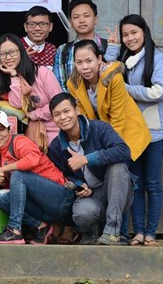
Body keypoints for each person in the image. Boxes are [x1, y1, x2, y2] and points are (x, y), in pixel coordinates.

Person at [48, 93, 134, 246]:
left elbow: (124, 151)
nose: (63, 117)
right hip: (91, 196)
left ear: (77, 110)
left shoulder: (99, 128)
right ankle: (90, 233)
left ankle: (112, 232)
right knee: (82, 213)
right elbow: (63, 174)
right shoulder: (56, 146)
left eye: (66, 111)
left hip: (115, 190)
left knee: (118, 167)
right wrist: (78, 184)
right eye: (57, 114)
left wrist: (87, 159)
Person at [0, 110, 74, 245]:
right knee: (0, 197)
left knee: (18, 175)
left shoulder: (19, 141)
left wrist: (4, 169)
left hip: (60, 199)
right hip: (40, 210)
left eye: (1, 129)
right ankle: (41, 226)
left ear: (9, 130)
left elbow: (32, 160)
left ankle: (14, 230)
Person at [118, 14, 163, 247]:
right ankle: (138, 232)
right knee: (136, 184)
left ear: (144, 33)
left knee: (153, 184)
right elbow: (107, 74)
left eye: (134, 33)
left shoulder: (159, 59)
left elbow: (159, 91)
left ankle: (151, 233)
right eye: (125, 34)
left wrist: (127, 89)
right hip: (131, 132)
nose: (130, 38)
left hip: (153, 132)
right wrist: (113, 49)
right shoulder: (124, 59)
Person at [67, 39, 151, 162]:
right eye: (79, 62)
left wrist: (111, 149)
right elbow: (85, 118)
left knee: (125, 172)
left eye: (89, 61)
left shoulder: (114, 78)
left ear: (99, 59)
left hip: (127, 132)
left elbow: (118, 118)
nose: (84, 67)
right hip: (101, 137)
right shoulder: (74, 84)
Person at [0, 33, 63, 146]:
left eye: (13, 52)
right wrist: (14, 75)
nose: (8, 57)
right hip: (32, 133)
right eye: (3, 54)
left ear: (21, 52)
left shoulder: (42, 73)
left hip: (57, 130)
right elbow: (18, 103)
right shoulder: (6, 80)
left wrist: (34, 114)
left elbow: (59, 104)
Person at [53, 0, 119, 92]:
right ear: (71, 23)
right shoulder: (63, 50)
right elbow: (60, 86)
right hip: (73, 101)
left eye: (86, 16)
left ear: (95, 19)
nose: (81, 20)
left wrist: (115, 48)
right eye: (76, 17)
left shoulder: (109, 46)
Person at [20, 5, 57, 69]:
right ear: (25, 27)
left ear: (51, 26)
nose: (37, 28)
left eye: (43, 24)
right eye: (32, 24)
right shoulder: (16, 46)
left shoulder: (52, 49)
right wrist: (21, 60)